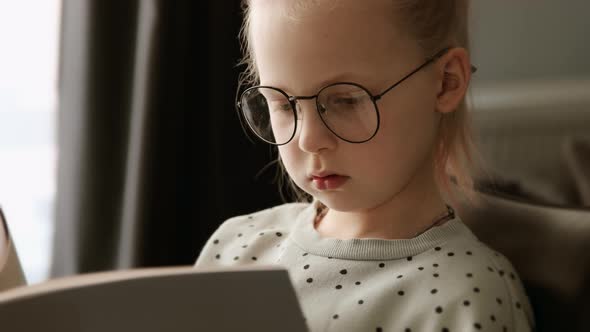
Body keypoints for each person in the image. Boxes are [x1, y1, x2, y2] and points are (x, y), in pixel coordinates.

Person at [195, 0, 535, 331]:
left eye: (345, 100)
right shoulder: (237, 246)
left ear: (446, 82)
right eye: (284, 105)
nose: (309, 140)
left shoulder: (465, 297)